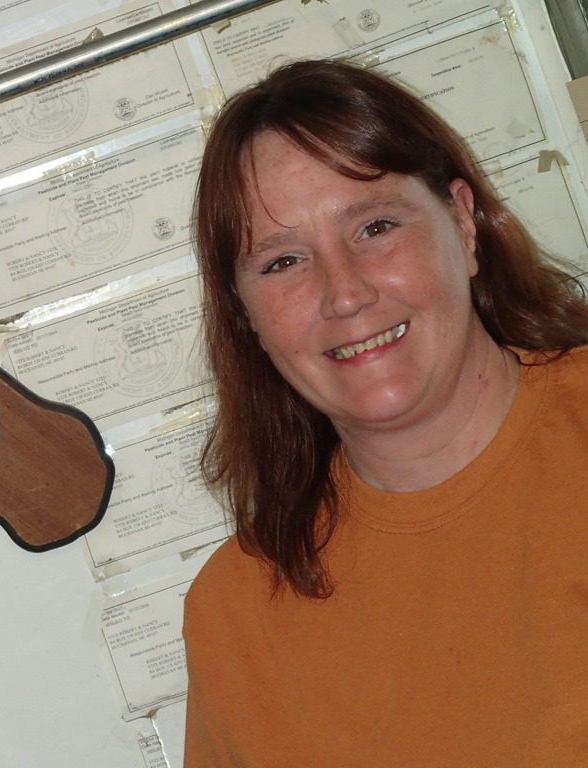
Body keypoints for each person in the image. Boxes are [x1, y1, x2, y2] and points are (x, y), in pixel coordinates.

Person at [183, 58, 588, 766]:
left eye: (375, 226)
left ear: (463, 224)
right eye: (282, 262)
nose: (344, 293)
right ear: (244, 314)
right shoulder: (234, 613)